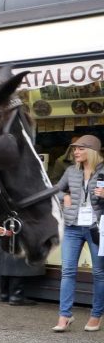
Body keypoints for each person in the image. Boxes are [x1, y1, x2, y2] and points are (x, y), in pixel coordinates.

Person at [52, 135, 104, 332]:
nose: (75, 152)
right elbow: (55, 189)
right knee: (68, 272)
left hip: (98, 228)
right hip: (73, 226)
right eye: (74, 149)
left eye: (80, 149)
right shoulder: (71, 171)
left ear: (91, 151)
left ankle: (96, 315)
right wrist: (63, 195)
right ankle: (65, 315)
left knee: (99, 273)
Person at [0, 223, 43, 306]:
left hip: (1, 222)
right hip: (15, 222)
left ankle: (5, 294)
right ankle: (16, 295)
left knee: (4, 252)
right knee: (18, 256)